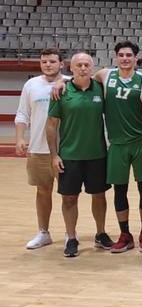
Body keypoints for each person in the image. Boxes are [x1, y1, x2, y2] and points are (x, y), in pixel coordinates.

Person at [85, 41, 142, 254]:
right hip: (116, 144)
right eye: (121, 55)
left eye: (129, 55)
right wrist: (62, 83)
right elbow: (82, 80)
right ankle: (125, 234)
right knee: (119, 190)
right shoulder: (105, 75)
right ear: (116, 58)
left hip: (140, 142)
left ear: (136, 58)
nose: (125, 58)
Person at [46, 53, 110, 257]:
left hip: (97, 154)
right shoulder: (61, 91)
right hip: (69, 156)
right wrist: (54, 156)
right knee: (69, 199)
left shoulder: (100, 87)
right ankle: (71, 237)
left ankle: (100, 233)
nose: (83, 68)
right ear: (71, 69)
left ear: (92, 67)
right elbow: (51, 126)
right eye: (79, 65)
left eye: (86, 64)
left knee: (99, 196)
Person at [15, 48, 71, 250]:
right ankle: (43, 232)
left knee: (68, 194)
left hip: (65, 149)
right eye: (44, 62)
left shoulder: (70, 82)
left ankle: (69, 234)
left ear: (61, 64)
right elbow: (23, 114)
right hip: (38, 148)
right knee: (42, 191)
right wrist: (20, 138)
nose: (48, 65)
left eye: (52, 61)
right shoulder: (31, 84)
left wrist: (64, 81)